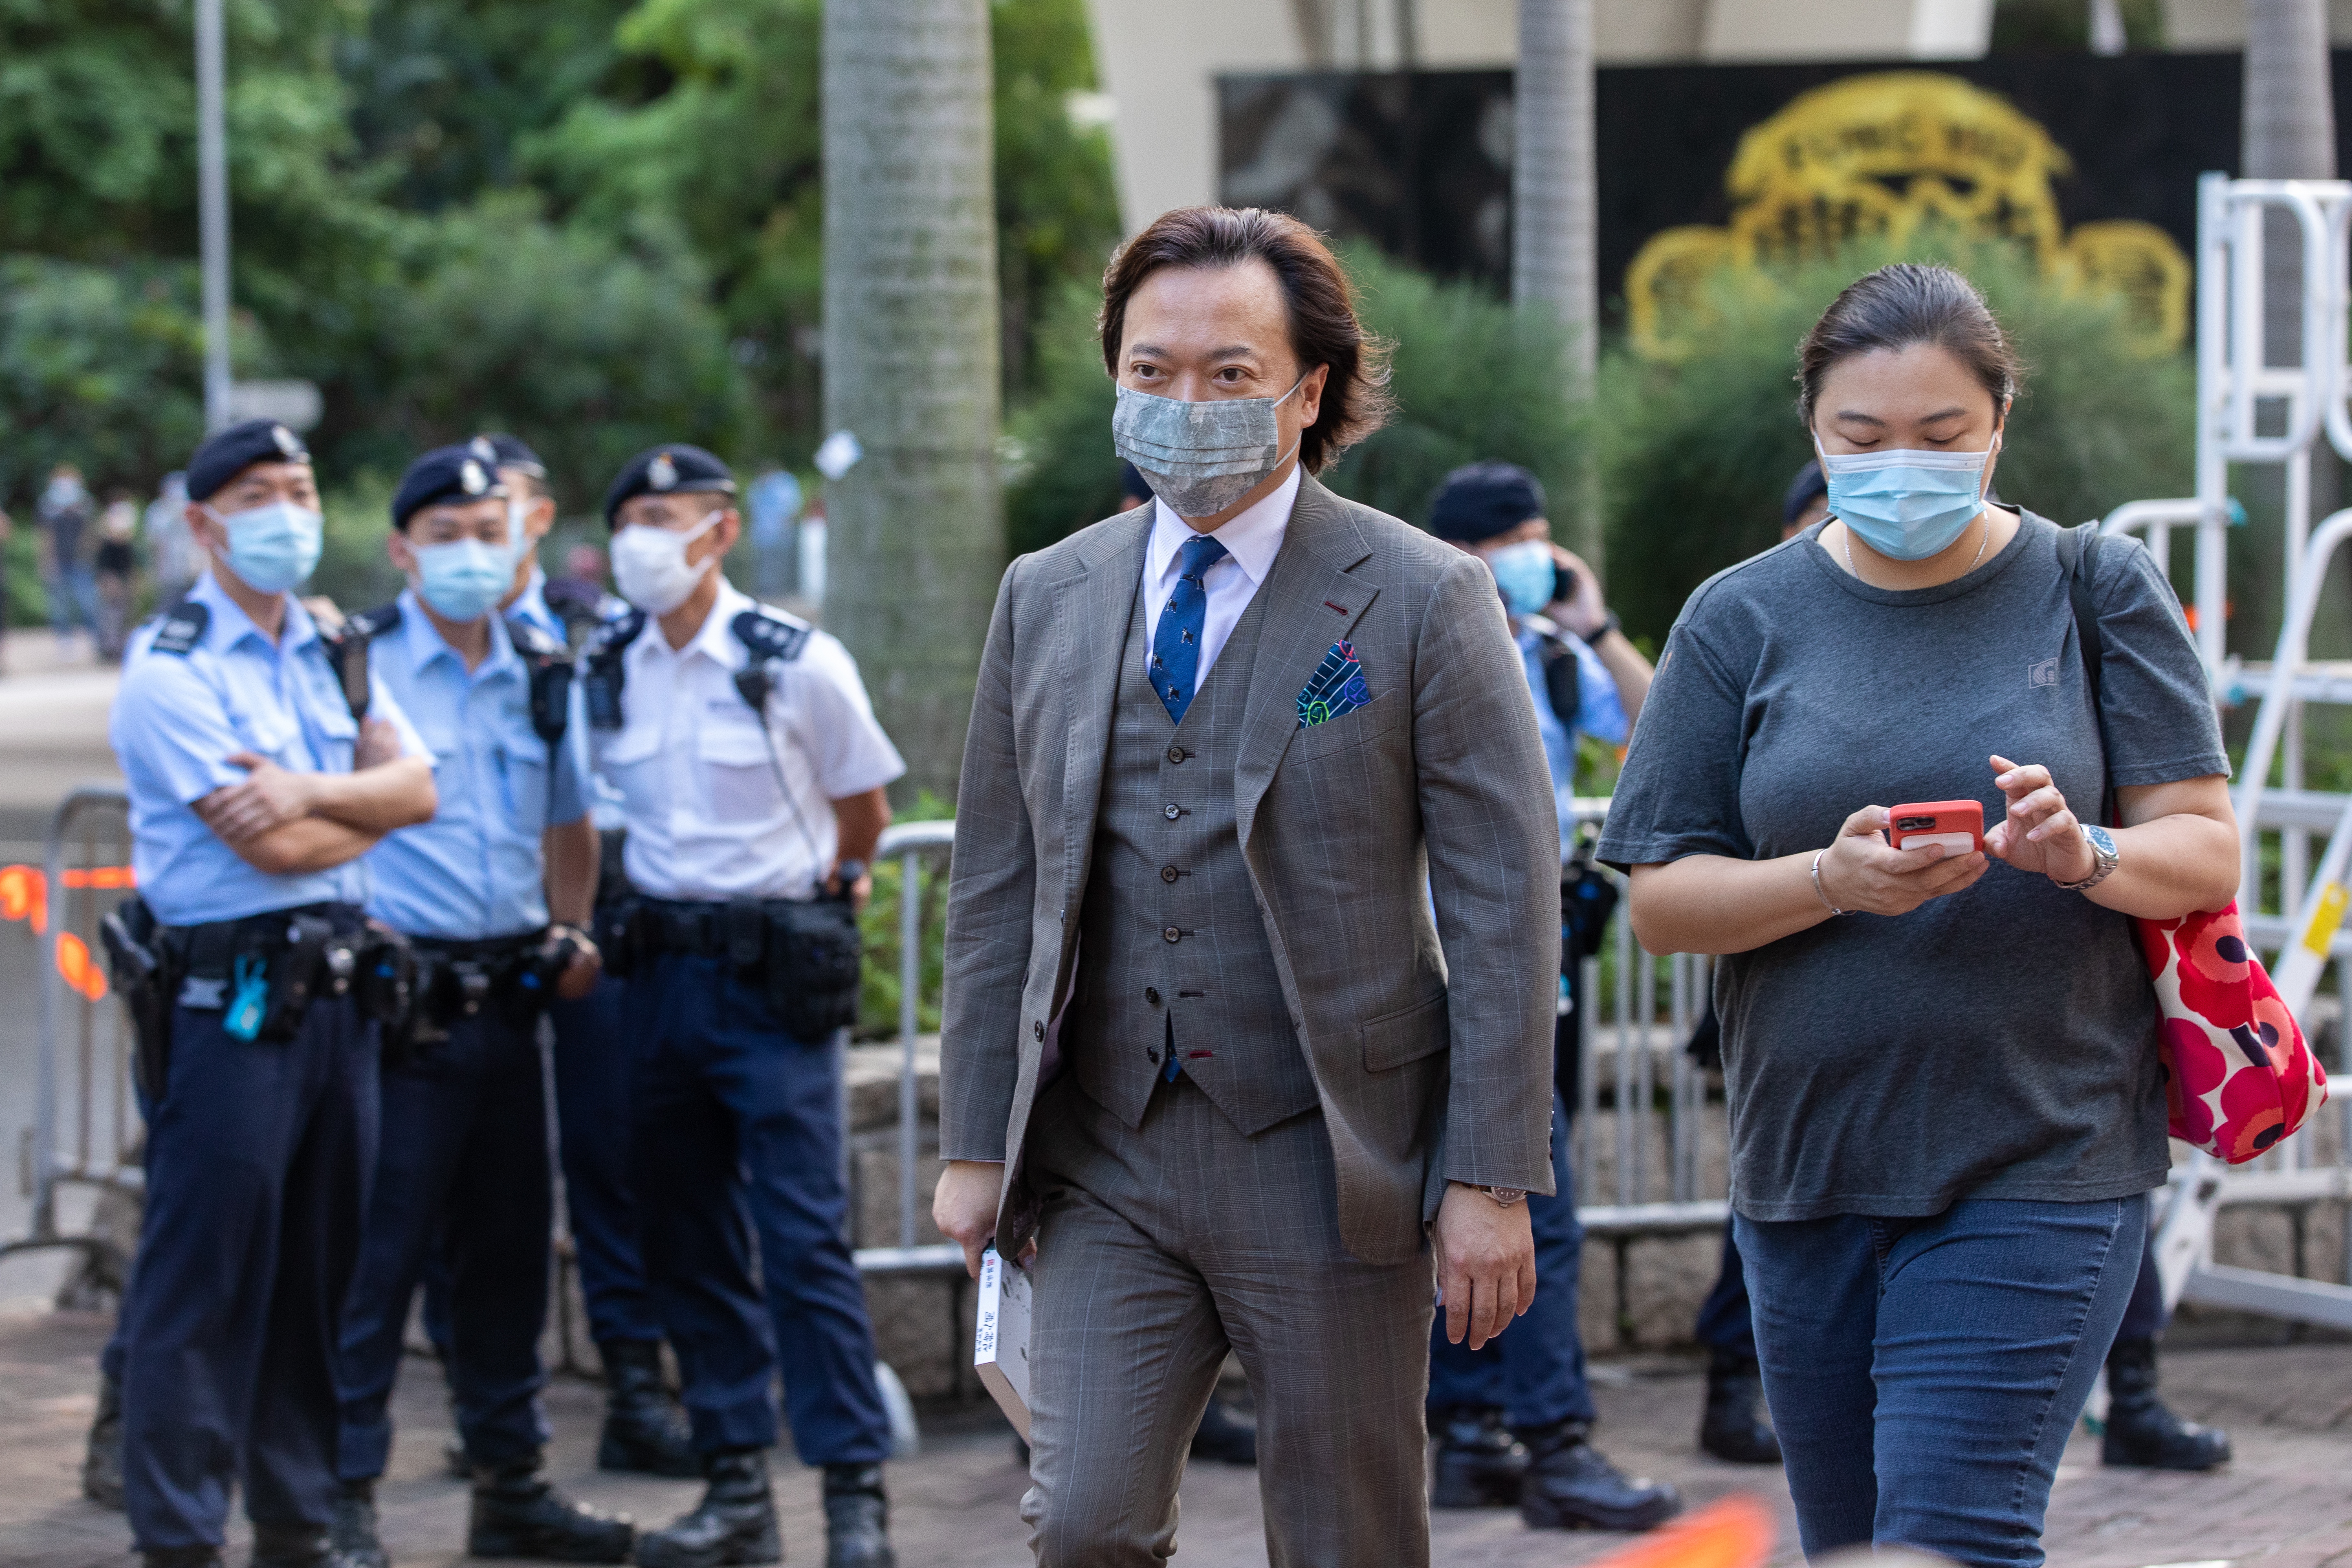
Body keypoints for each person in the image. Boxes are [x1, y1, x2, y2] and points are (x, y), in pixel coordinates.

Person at [932, 205, 1558, 1568]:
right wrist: (975, 1140)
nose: (1185, 405)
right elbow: (993, 888)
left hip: (1329, 1152)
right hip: (1103, 1150)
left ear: (1308, 389)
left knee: (1347, 1537)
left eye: (1229, 373)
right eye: (1150, 371)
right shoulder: (1045, 593)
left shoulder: (1423, 594)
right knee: (1083, 1522)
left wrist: (1490, 1174)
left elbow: (1503, 905)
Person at [1600, 263, 2239, 1566]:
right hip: (1807, 1167)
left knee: (1951, 1538)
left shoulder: (2094, 583)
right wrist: (1827, 880)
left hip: (2040, 1151)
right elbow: (1661, 904)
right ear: (1812, 430)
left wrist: (2083, 850)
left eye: (1941, 434)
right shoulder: (1736, 617)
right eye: (1861, 436)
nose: (1901, 464)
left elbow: (2203, 849)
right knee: (1851, 1546)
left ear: (1997, 424)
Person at [106, 419, 438, 1568]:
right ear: (203, 525)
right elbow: (276, 850)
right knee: (204, 1278)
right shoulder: (172, 666)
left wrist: (304, 789)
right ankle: (181, 1534)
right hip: (228, 1003)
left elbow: (421, 791)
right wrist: (353, 799)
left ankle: (294, 1524)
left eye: (299, 487)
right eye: (257, 494)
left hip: (341, 993)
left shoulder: (338, 645)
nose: (286, 511)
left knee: (317, 1272)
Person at [584, 442, 906, 1568]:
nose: (642, 538)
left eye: (664, 515)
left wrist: (832, 881)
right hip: (656, 978)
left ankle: (854, 1499)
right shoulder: (606, 663)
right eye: (628, 517)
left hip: (770, 981)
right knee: (686, 1237)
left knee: (803, 1239)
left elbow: (864, 809)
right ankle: (735, 1491)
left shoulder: (793, 660)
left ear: (719, 531)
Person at [325, 445, 632, 1566]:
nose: (469, 552)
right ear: (402, 551)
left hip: (510, 999)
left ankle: (511, 1487)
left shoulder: (543, 666)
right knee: (376, 1262)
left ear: (518, 541)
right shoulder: (354, 665)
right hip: (397, 1009)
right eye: (443, 534)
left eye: (485, 532)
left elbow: (570, 819)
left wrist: (572, 925)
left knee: (507, 1257)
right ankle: (340, 1499)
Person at [1417, 460, 1681, 1529]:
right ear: (1460, 551)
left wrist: (1597, 624)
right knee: (1535, 1197)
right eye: (1511, 540)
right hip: (1449, 962)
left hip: (1537, 956)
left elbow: (1670, 739)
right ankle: (1552, 1442)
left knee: (1502, 1191)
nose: (1532, 558)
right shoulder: (1415, 640)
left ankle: (1473, 1433)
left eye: (1540, 538)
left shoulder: (1556, 656)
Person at [481, 430, 700, 1476]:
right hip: (468, 929)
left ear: (536, 514)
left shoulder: (597, 628)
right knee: (469, 1172)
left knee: (610, 1158)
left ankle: (632, 1389)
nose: (481, 530)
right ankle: (486, 1405)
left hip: (592, 920)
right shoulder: (413, 641)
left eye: (501, 505)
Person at [40, 461, 101, 658]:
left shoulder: (85, 503)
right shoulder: (48, 504)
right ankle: (65, 641)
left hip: (81, 561)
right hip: (59, 561)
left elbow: (90, 532)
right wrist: (47, 561)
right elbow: (45, 535)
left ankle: (97, 641)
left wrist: (90, 557)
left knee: (89, 602)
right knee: (59, 605)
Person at [147, 472, 203, 606]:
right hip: (171, 574)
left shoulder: (195, 508)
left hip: (194, 570)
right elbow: (156, 543)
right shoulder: (158, 511)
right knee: (170, 605)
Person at [97, 490, 141, 661]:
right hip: (114, 581)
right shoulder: (108, 545)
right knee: (112, 615)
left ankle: (121, 648)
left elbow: (131, 565)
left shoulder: (127, 545)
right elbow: (105, 568)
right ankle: (110, 649)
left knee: (125, 614)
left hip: (124, 580)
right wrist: (110, 582)